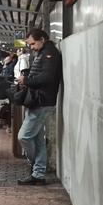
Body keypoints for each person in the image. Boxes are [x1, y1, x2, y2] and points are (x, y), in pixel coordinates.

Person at [16, 29, 62, 186]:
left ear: (42, 39)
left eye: (33, 43)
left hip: (42, 102)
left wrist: (26, 80)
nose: (32, 47)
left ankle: (37, 166)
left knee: (24, 136)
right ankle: (38, 174)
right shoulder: (43, 52)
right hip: (37, 100)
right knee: (38, 139)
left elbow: (47, 77)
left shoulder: (50, 53)